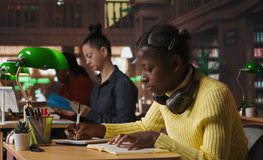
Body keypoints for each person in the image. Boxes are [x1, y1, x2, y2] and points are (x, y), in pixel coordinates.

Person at [65, 24, 248, 160]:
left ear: (175, 64)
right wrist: (98, 129)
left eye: (148, 69)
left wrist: (157, 139)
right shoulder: (168, 93)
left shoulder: (214, 94)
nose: (143, 77)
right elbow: (145, 126)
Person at [71, 24, 138, 123]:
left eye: (89, 56)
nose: (87, 62)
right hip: (95, 136)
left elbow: (125, 123)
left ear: (103, 51)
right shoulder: (97, 81)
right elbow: (97, 117)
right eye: (85, 58)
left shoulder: (122, 83)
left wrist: (90, 114)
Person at [54, 52, 93, 120]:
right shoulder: (66, 85)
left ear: (67, 71)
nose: (56, 75)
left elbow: (79, 113)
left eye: (57, 71)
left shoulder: (82, 83)